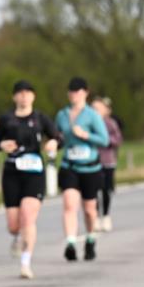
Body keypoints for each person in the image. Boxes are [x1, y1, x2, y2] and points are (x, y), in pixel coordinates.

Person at [0, 80, 61, 279]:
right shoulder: (6, 119)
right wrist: (3, 144)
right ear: (14, 97)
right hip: (12, 172)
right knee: (13, 225)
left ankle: (26, 262)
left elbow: (57, 137)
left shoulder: (40, 118)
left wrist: (53, 143)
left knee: (28, 216)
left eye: (28, 93)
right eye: (20, 93)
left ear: (33, 96)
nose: (24, 96)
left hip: (34, 172)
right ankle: (17, 236)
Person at [54, 77, 109, 262]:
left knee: (89, 209)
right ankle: (70, 242)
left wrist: (85, 135)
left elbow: (104, 140)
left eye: (77, 91)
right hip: (69, 165)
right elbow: (57, 136)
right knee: (69, 204)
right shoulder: (62, 115)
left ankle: (90, 238)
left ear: (85, 93)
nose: (73, 95)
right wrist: (55, 142)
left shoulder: (92, 115)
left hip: (90, 167)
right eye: (71, 91)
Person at [91, 97, 122, 232]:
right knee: (93, 191)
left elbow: (118, 139)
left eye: (98, 108)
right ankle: (96, 217)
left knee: (106, 190)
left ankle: (106, 216)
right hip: (91, 162)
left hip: (107, 161)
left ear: (105, 110)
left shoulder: (110, 123)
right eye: (93, 108)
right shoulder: (89, 123)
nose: (95, 111)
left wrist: (104, 140)